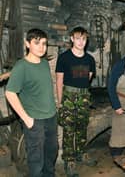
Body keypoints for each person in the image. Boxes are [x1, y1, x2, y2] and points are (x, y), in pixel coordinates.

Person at [5, 28, 58, 177]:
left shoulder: (44, 63)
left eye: (44, 43)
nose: (42, 47)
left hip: (51, 118)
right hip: (35, 121)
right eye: (37, 43)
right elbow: (10, 93)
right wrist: (27, 120)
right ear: (27, 44)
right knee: (36, 161)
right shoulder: (21, 66)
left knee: (51, 155)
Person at [55, 26, 96, 176]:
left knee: (82, 127)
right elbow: (59, 81)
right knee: (68, 129)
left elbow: (88, 78)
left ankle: (81, 153)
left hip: (84, 97)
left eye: (84, 39)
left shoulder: (90, 59)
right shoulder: (64, 58)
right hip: (68, 97)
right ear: (72, 38)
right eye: (78, 38)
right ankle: (69, 160)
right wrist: (60, 102)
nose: (81, 42)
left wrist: (82, 95)